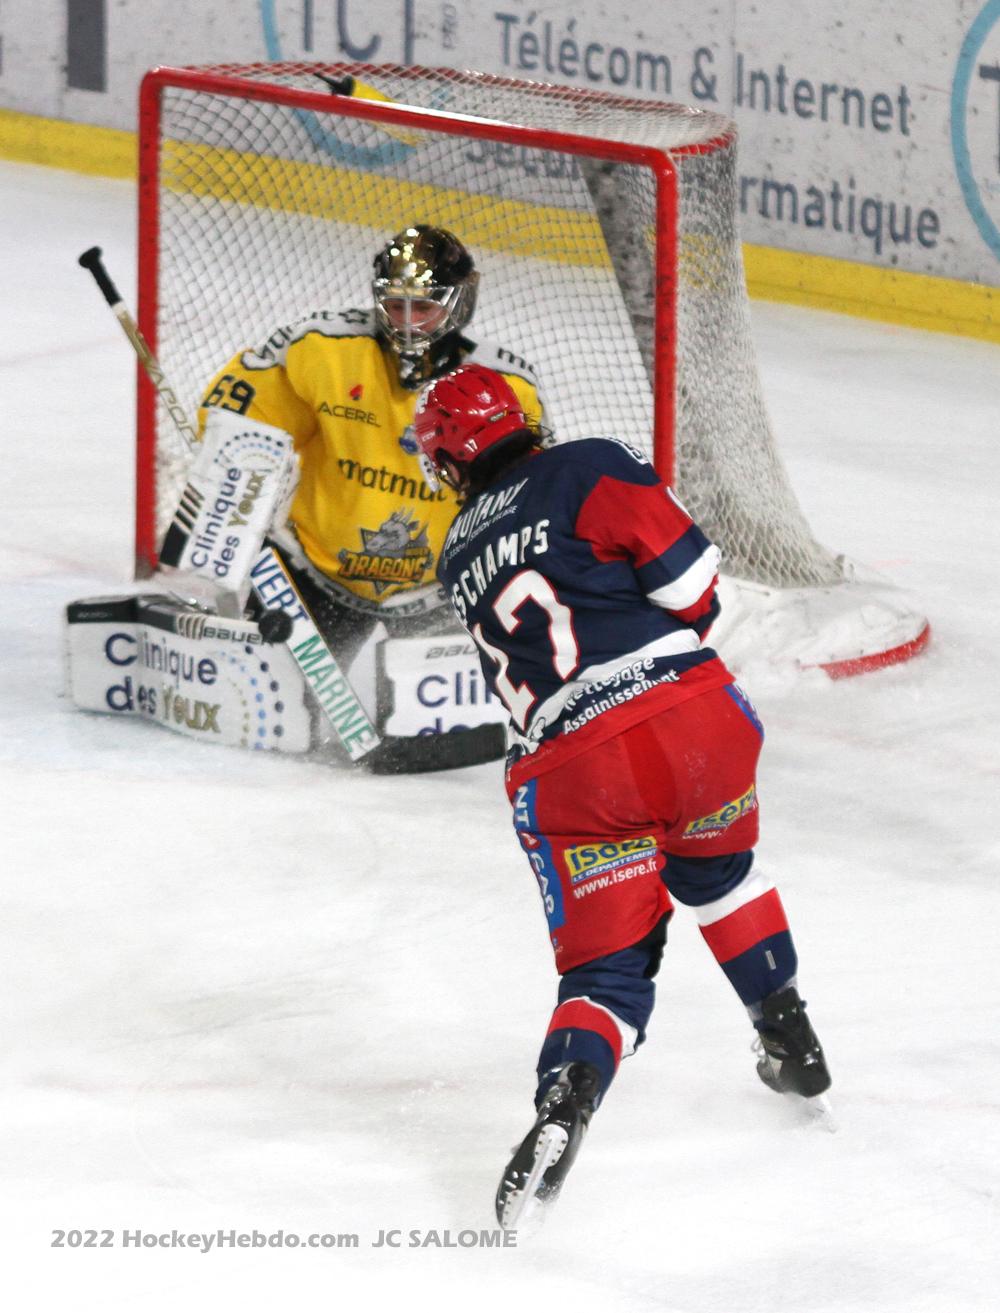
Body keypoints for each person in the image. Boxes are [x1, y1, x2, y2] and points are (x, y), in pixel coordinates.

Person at [412, 363, 832, 1228]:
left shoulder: (456, 552)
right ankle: (787, 1031)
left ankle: (568, 1097)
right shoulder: (588, 464)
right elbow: (693, 595)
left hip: (572, 769)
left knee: (604, 968)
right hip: (694, 723)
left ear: (451, 462)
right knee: (721, 877)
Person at [196, 224, 544, 771]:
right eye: (395, 305)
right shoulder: (319, 349)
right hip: (316, 577)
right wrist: (235, 463)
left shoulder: (505, 386)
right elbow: (234, 421)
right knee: (274, 720)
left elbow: (522, 501)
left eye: (423, 307)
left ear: (459, 304)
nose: (406, 322)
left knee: (451, 747)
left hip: (439, 594)